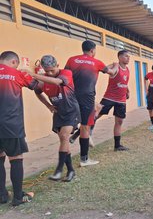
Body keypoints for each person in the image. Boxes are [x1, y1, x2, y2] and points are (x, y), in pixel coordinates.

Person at [0, 51, 54, 205]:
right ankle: (18, 197)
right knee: (16, 158)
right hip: (11, 124)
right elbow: (38, 87)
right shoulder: (17, 73)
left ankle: (2, 195)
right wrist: (39, 74)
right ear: (14, 62)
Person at [65, 40, 118, 167]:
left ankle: (71, 142)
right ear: (93, 50)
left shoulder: (72, 60)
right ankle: (84, 159)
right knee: (86, 126)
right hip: (87, 97)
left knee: (69, 125)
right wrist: (115, 65)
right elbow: (112, 72)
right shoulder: (96, 62)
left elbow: (66, 75)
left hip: (71, 95)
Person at [33, 55, 79, 182]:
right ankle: (70, 171)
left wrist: (35, 75)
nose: (49, 73)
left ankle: (59, 170)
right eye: (47, 71)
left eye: (52, 70)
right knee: (63, 141)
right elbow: (37, 91)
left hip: (72, 111)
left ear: (57, 65)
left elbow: (58, 82)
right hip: (59, 113)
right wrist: (48, 105)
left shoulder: (66, 73)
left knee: (64, 136)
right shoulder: (44, 80)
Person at [96, 50, 130, 151]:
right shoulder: (115, 67)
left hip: (121, 100)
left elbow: (125, 81)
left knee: (119, 121)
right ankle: (83, 132)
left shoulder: (127, 69)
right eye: (126, 56)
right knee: (95, 115)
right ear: (119, 57)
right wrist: (114, 64)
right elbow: (103, 69)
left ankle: (117, 145)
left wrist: (128, 91)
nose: (128, 58)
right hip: (109, 98)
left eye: (129, 57)